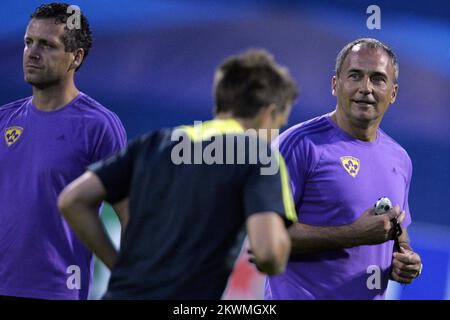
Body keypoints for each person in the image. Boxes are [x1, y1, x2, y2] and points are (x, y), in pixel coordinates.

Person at [58, 49, 298, 299]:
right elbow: (268, 252)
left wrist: (118, 266)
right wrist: (278, 252)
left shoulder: (152, 143)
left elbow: (72, 200)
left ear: (220, 104)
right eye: (279, 125)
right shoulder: (259, 155)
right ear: (267, 113)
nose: (276, 134)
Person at [265, 38, 422, 300]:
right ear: (335, 85)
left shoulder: (400, 159)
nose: (365, 88)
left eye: (378, 79)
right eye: (355, 76)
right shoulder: (297, 145)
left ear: (393, 93)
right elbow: (268, 238)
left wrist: (407, 261)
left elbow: (398, 234)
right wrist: (353, 235)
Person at [0, 3, 127, 300]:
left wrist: (133, 279)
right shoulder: (4, 120)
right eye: (28, 42)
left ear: (76, 58)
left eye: (47, 45)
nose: (32, 52)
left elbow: (128, 214)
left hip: (58, 291)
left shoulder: (99, 126)